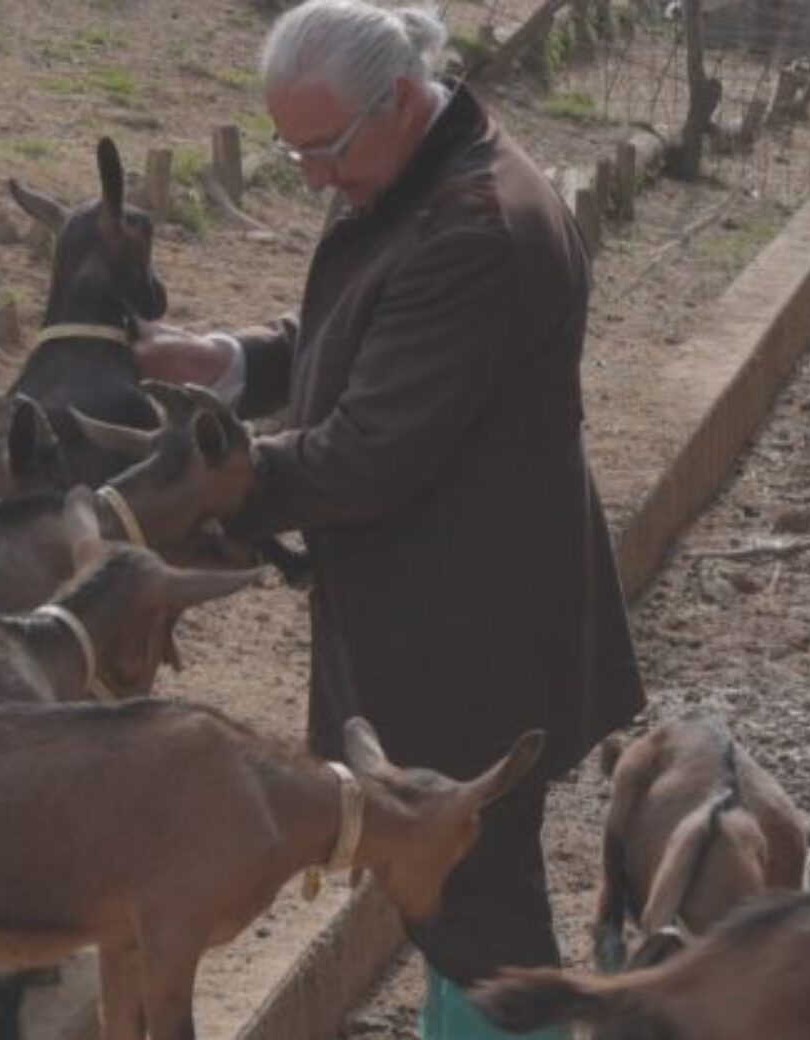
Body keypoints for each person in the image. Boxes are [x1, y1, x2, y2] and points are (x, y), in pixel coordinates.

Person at [132, 2, 646, 1038]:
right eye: (295, 151)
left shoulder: (479, 228)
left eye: (323, 148)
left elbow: (367, 452)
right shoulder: (408, 172)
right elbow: (360, 328)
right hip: (449, 608)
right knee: (456, 900)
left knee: (476, 903)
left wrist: (209, 488)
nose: (314, 176)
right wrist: (233, 362)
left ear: (401, 98)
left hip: (471, 632)